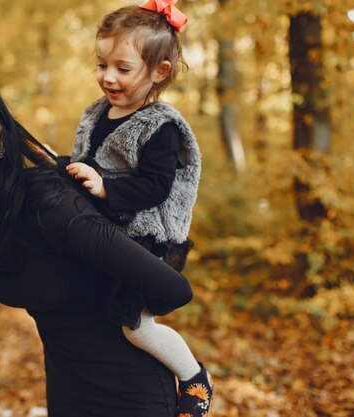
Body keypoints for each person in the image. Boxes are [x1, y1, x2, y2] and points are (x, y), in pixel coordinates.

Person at [0, 61, 195, 417]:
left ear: (2, 134)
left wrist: (122, 308)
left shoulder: (48, 204)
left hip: (132, 394)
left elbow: (173, 290)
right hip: (66, 390)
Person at [60, 2, 214, 415]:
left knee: (135, 326)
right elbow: (86, 164)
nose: (108, 77)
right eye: (101, 64)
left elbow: (156, 187)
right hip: (110, 234)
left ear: (158, 72)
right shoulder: (97, 114)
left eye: (122, 68)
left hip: (149, 240)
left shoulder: (160, 126)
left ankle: (194, 378)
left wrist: (106, 188)